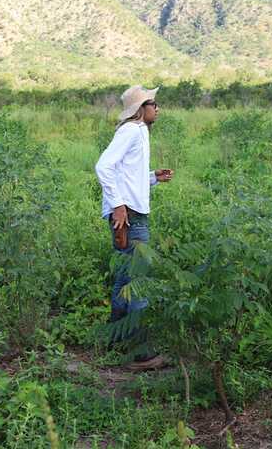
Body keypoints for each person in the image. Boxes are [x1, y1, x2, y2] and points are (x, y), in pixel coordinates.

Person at [95, 85, 173, 370]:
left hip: (130, 213)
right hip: (129, 217)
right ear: (142, 108)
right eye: (153, 103)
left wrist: (152, 177)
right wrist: (117, 205)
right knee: (139, 282)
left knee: (125, 278)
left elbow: (126, 173)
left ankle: (114, 338)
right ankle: (142, 354)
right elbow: (104, 167)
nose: (157, 108)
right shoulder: (130, 131)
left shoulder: (138, 133)